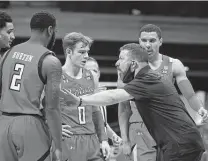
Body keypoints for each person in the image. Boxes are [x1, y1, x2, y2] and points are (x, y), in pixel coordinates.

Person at [61, 43, 207, 161]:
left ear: (133, 64)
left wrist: (80, 100)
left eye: (121, 59)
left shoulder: (146, 79)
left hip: (181, 145)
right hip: (179, 143)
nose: (117, 63)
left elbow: (113, 96)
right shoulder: (148, 78)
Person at [118, 24, 207, 161]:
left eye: (152, 40)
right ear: (139, 41)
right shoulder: (128, 68)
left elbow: (190, 95)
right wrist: (125, 140)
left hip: (169, 128)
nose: (147, 45)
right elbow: (124, 108)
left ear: (160, 41)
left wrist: (200, 108)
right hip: (140, 126)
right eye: (144, 40)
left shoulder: (174, 64)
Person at [0, 11, 62, 161]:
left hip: (3, 124)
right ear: (50, 30)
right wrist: (59, 146)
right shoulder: (50, 61)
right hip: (29, 126)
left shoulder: (7, 54)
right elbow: (52, 109)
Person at [59, 32, 110, 161]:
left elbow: (96, 110)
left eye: (87, 52)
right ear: (69, 51)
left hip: (91, 139)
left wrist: (103, 139)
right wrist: (52, 126)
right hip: (70, 139)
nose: (86, 56)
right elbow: (43, 107)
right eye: (81, 52)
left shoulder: (91, 76)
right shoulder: (56, 76)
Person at [85, 57, 123, 160]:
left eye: (94, 70)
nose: (91, 73)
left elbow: (103, 123)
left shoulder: (102, 96)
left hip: (101, 149)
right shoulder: (81, 97)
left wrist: (113, 136)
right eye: (87, 70)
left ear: (98, 74)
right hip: (86, 148)